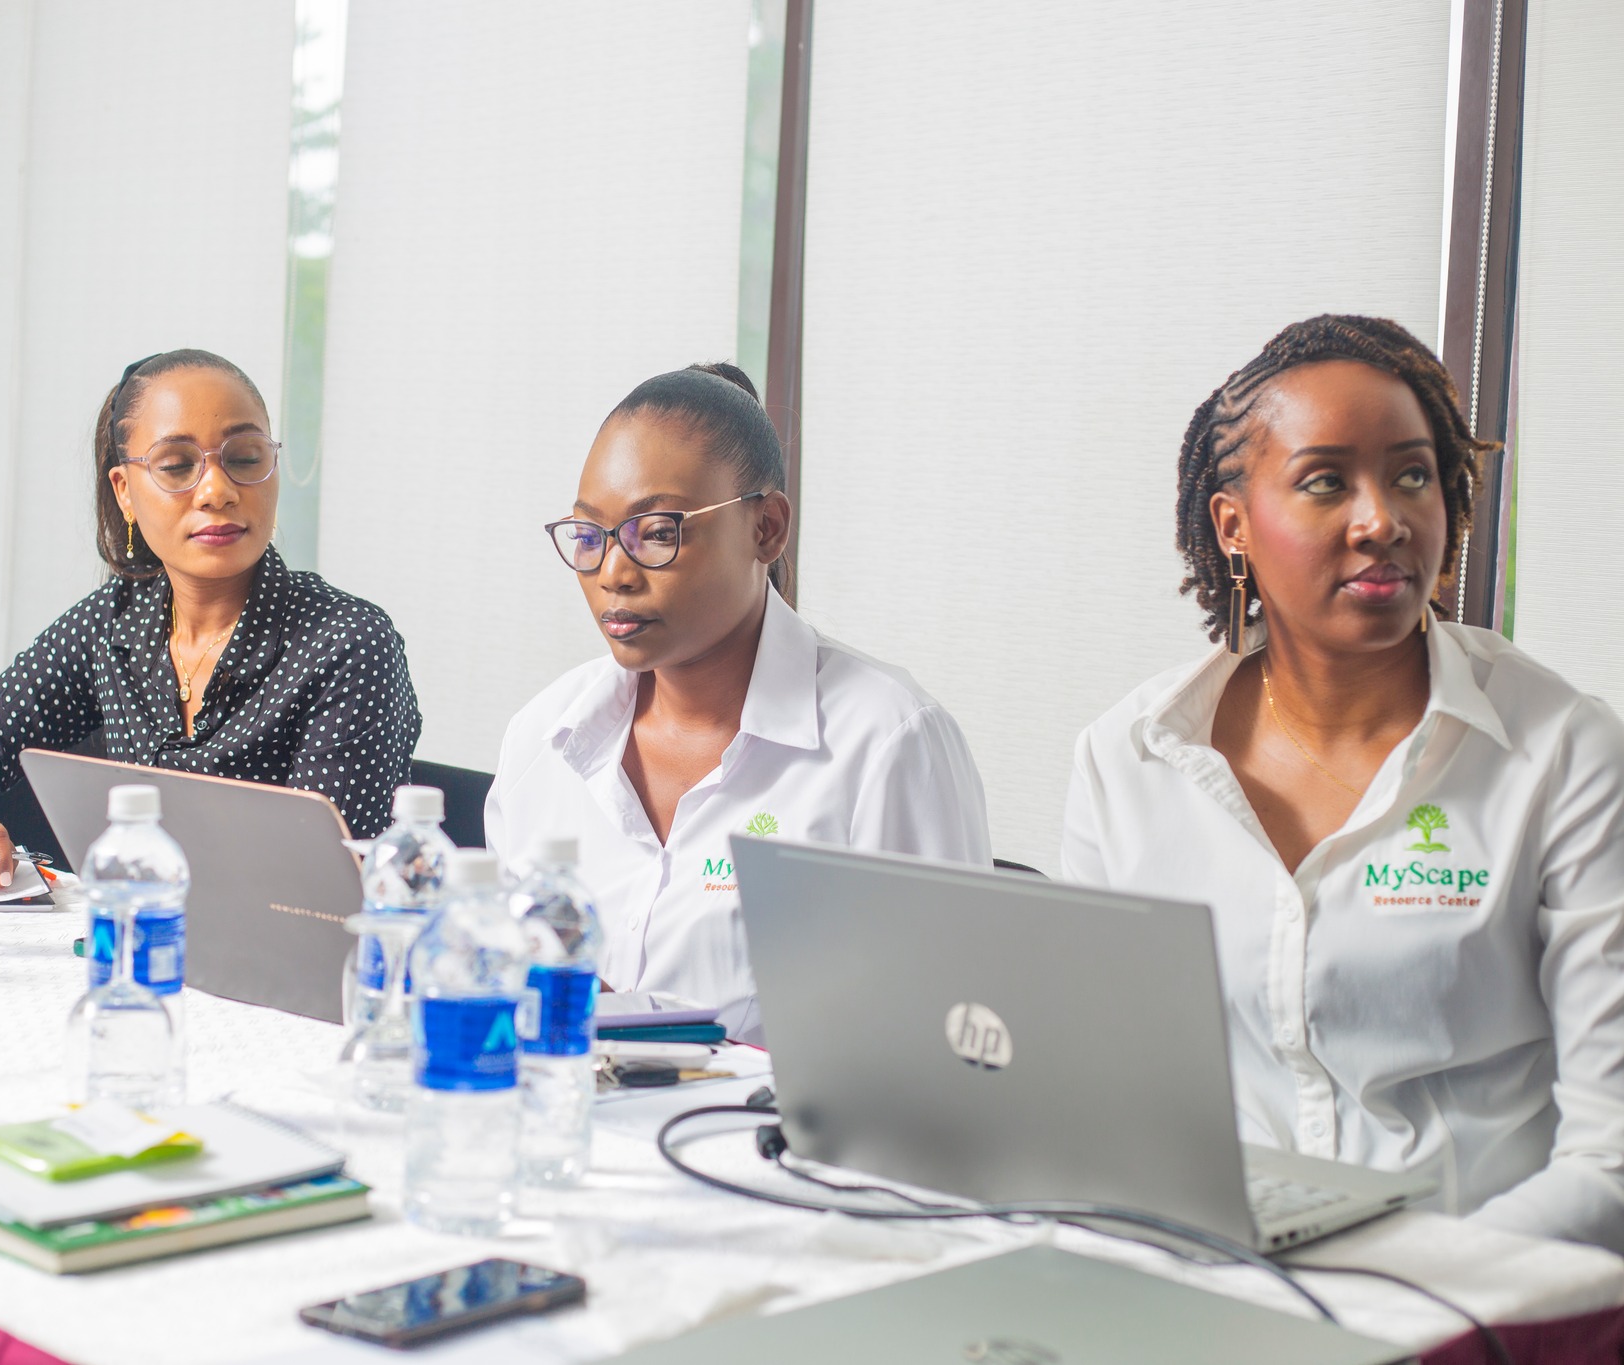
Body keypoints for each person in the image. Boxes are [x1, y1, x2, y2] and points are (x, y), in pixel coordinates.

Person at [1062, 314, 1624, 1253]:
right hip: (1213, 1274)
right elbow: (1096, 1096)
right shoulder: (1129, 759)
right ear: (1233, 525)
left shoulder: (1563, 753)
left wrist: (1399, 1294)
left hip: (1476, 1292)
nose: (1383, 520)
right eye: (1326, 481)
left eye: (1413, 475)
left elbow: (1610, 1161)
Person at [486, 363, 990, 1042]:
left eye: (657, 532)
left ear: (766, 529)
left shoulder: (887, 742)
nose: (613, 573)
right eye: (588, 535)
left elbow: (945, 1040)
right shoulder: (543, 738)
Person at [0, 349, 421, 883]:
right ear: (124, 492)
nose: (217, 491)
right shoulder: (114, 621)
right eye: (176, 466)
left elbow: (327, 891)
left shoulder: (348, 643)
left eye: (245, 458)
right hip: (135, 925)